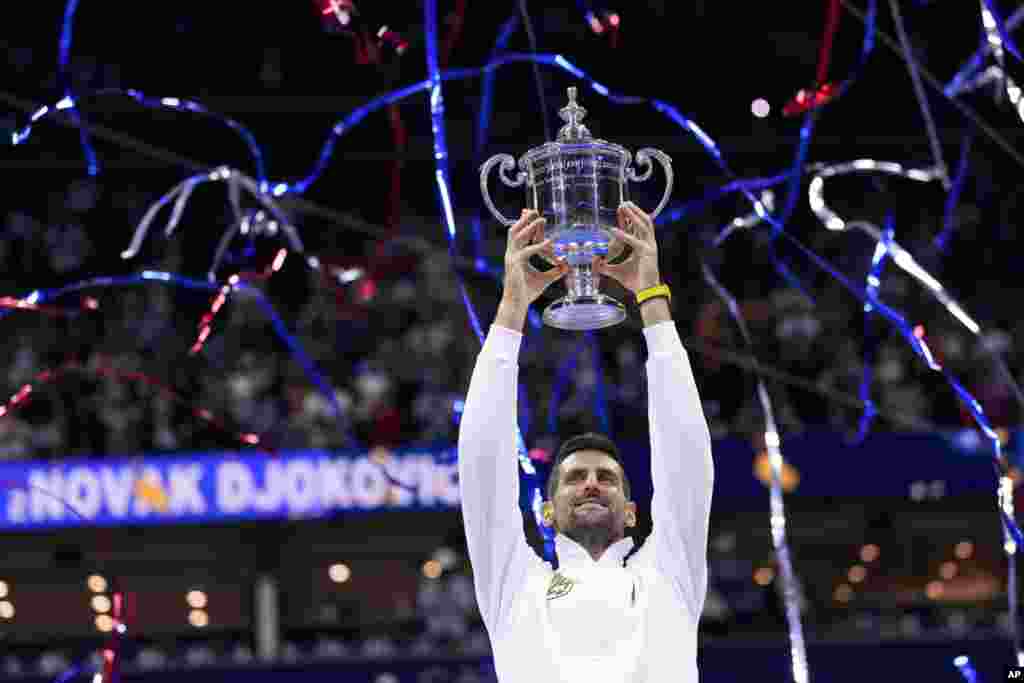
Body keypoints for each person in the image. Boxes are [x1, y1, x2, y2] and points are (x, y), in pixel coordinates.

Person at [458, 204, 714, 682]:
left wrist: (651, 298)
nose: (592, 484)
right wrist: (512, 309)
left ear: (633, 511)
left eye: (607, 478)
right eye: (575, 478)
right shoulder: (515, 583)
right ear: (547, 511)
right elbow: (481, 464)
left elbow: (687, 457)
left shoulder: (668, 573)